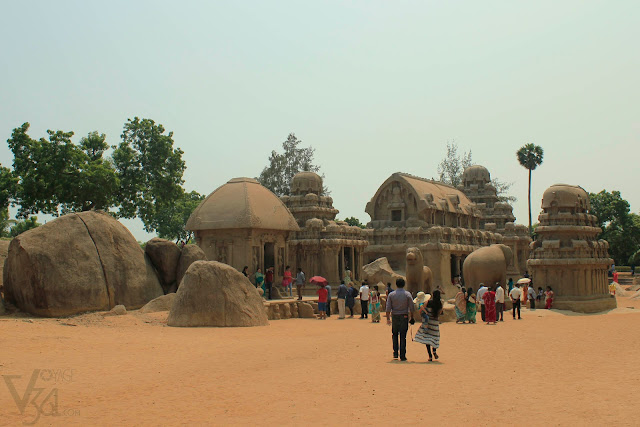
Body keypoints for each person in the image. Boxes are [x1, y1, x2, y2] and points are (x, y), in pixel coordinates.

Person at [386, 278, 414, 361]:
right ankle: (402, 355)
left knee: (394, 334)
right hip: (404, 316)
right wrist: (412, 317)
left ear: (396, 284)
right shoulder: (407, 294)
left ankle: (395, 352)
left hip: (394, 316)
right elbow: (411, 307)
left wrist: (388, 318)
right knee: (403, 335)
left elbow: (388, 308)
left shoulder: (391, 295)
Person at [413, 289, 442, 362]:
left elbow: (421, 309)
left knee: (427, 339)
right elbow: (439, 313)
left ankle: (430, 356)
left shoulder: (428, 302)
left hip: (428, 323)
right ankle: (434, 351)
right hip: (435, 323)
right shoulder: (440, 304)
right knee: (434, 338)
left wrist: (425, 313)